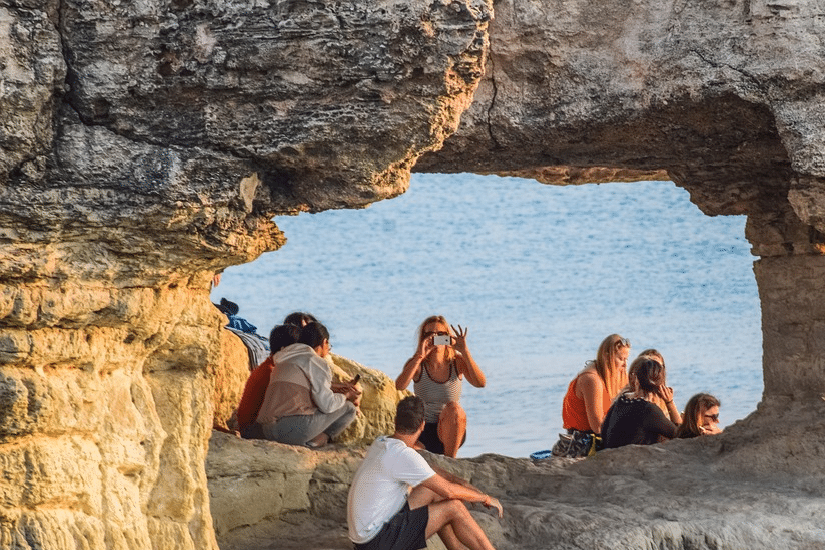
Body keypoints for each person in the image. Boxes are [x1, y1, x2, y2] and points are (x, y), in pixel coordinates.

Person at [347, 396, 503, 550]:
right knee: (454, 507)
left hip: (370, 533)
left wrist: (460, 482)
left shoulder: (382, 443)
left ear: (396, 422)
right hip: (376, 542)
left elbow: (426, 469)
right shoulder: (402, 455)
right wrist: (485, 498)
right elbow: (448, 491)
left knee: (431, 490)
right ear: (422, 425)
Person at [256, 321, 360, 448]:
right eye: (329, 345)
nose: (328, 350)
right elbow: (327, 405)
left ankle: (310, 439)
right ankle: (317, 442)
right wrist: (346, 395)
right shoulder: (315, 361)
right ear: (324, 342)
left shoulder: (284, 359)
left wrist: (334, 387)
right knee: (349, 408)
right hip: (289, 431)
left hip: (265, 430)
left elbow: (301, 388)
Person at [395, 316, 487, 458]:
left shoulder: (457, 362)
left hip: (450, 429)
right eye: (429, 334)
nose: (435, 337)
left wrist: (465, 351)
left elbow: (480, 383)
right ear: (423, 338)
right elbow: (400, 386)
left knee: (454, 408)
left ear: (448, 337)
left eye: (440, 334)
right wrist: (419, 355)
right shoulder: (418, 364)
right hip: (423, 431)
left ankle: (451, 461)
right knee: (402, 454)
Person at [235, 324, 302, 439]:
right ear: (284, 350)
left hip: (252, 427)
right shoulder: (272, 373)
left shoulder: (271, 366)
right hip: (253, 430)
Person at [560, 334, 631, 439]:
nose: (625, 364)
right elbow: (597, 427)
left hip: (606, 431)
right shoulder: (591, 379)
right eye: (621, 359)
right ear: (607, 357)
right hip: (585, 438)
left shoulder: (618, 373)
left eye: (626, 359)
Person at [602, 357, 679, 448]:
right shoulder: (649, 409)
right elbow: (679, 434)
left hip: (610, 455)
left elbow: (604, 431)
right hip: (632, 459)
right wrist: (669, 402)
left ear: (636, 378)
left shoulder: (622, 400)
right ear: (661, 384)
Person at [626, 349, 682, 425]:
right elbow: (677, 431)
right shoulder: (630, 397)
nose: (654, 371)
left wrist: (670, 403)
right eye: (650, 367)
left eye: (658, 367)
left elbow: (678, 427)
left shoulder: (664, 397)